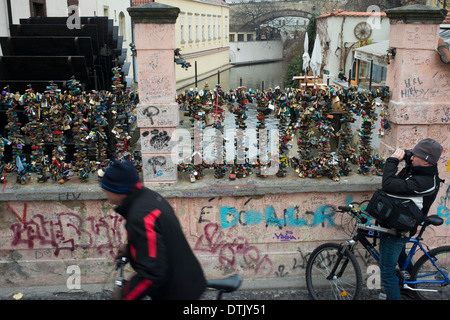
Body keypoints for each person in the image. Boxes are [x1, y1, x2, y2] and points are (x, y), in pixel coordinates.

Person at [101, 161, 206, 300]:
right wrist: (130, 247)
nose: (104, 192)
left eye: (106, 188)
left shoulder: (140, 216)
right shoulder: (149, 198)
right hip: (188, 277)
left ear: (117, 189)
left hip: (177, 291)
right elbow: (156, 239)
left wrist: (125, 295)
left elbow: (152, 274)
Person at [379, 138, 443, 300]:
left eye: (416, 156)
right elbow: (410, 169)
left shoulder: (422, 182)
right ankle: (410, 287)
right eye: (412, 155)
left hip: (398, 228)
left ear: (426, 161)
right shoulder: (424, 171)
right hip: (402, 222)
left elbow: (388, 184)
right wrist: (408, 157)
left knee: (387, 273)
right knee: (402, 256)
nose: (412, 158)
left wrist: (392, 160)